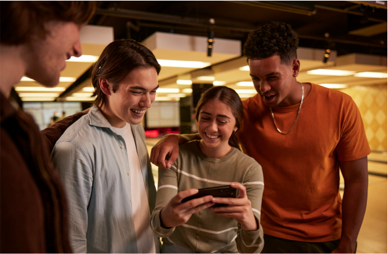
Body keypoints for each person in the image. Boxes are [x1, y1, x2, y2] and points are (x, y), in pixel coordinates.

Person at [150, 21, 370, 253]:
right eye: (255, 78)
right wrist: (175, 139)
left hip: (323, 237)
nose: (262, 87)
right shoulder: (247, 112)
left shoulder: (340, 106)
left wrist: (349, 240)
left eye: (272, 77)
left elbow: (357, 180)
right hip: (265, 235)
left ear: (295, 67)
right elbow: (213, 133)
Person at [0, 2, 95, 252]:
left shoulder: (13, 124)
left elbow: (30, 145)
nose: (77, 49)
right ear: (35, 14)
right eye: (76, 26)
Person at [50, 39, 161, 253]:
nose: (148, 102)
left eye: (152, 91)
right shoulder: (75, 148)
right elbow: (70, 240)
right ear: (106, 85)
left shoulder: (134, 126)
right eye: (137, 91)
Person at [151, 86, 264, 253]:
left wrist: (250, 223)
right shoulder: (176, 157)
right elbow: (158, 228)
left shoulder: (250, 169)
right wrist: (167, 217)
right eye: (205, 118)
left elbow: (251, 249)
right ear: (196, 118)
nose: (212, 128)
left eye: (222, 121)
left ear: (236, 125)